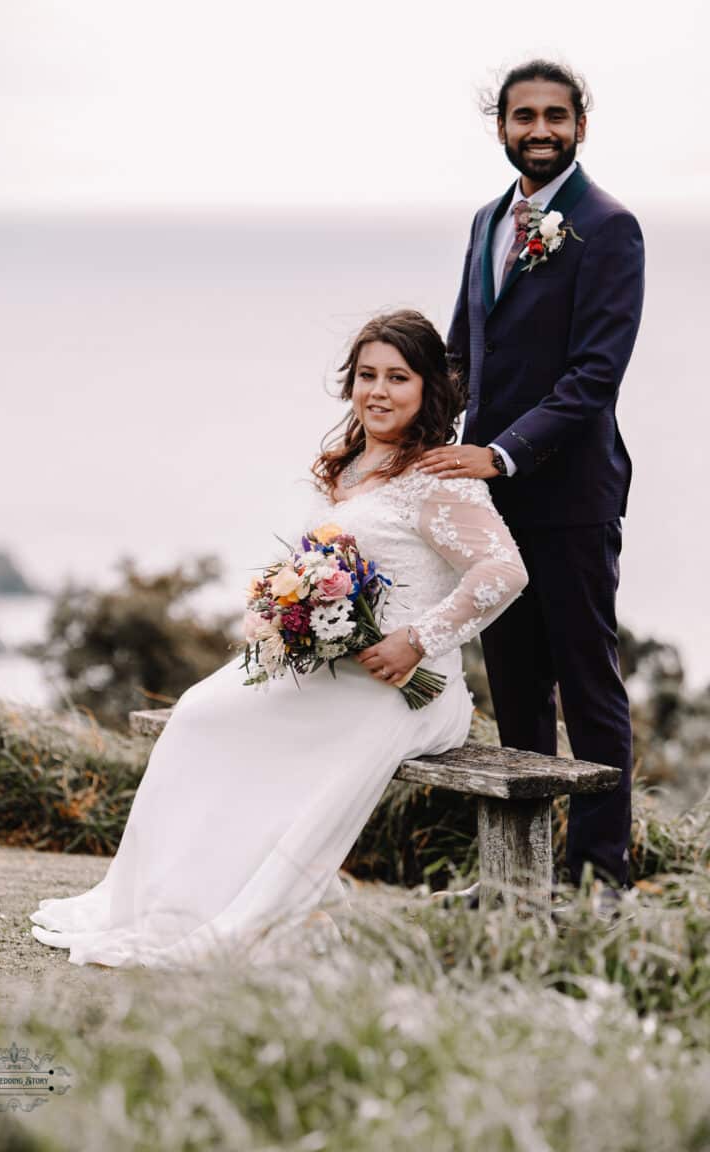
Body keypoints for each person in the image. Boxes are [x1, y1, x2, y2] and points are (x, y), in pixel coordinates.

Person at [30, 310, 527, 969]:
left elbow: (504, 571)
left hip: (403, 685)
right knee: (199, 715)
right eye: (366, 376)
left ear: (429, 388)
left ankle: (245, 913)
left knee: (245, 733)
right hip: (328, 664)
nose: (378, 391)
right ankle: (173, 900)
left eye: (397, 378)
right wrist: (282, 610)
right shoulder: (353, 464)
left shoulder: (438, 479)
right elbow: (322, 562)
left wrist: (416, 639)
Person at [417, 61, 645, 892]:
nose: (539, 128)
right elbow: (460, 355)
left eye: (555, 115)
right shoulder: (487, 221)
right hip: (490, 505)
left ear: (580, 124)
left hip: (572, 497)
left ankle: (597, 883)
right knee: (514, 692)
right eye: (523, 116)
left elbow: (593, 378)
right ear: (502, 126)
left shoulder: (609, 227)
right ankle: (519, 878)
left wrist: (500, 451)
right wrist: (414, 436)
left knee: (587, 688)